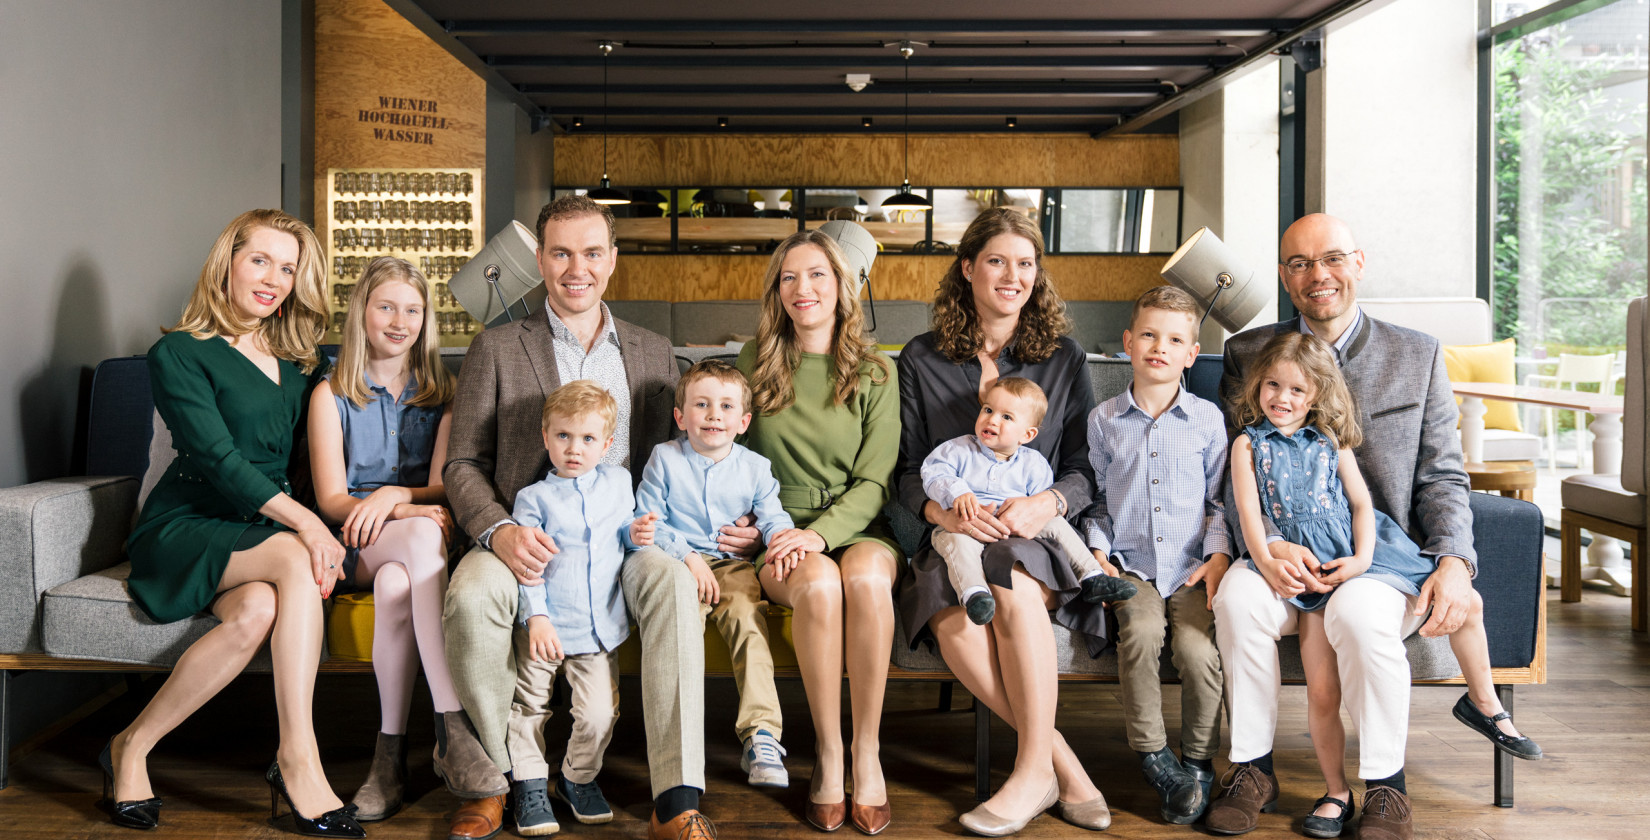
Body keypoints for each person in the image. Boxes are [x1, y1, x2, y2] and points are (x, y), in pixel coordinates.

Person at [1210, 213, 1536, 840]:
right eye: (1300, 264)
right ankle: (1250, 768)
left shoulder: (1418, 353)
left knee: (1357, 615)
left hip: (1377, 556)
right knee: (1240, 601)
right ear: (1284, 276)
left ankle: (1385, 786)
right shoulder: (1248, 354)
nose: (1317, 275)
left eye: (1331, 258)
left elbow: (1444, 475)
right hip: (1279, 552)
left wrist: (1452, 561)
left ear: (1358, 262)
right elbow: (1233, 471)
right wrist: (1258, 547)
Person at [441, 195, 695, 840]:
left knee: (672, 582)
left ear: (612, 259)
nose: (575, 268)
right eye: (560, 253)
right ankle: (497, 781)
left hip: (620, 540)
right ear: (540, 259)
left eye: (590, 252)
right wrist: (500, 532)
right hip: (518, 537)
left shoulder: (653, 352)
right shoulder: (497, 346)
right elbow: (463, 462)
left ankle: (676, 799)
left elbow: (670, 459)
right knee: (471, 599)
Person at [111, 209, 363, 837]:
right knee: (297, 557)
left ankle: (131, 745)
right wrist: (308, 526)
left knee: (258, 612)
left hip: (256, 533)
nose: (274, 279)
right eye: (261, 261)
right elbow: (219, 461)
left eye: (288, 268)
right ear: (226, 262)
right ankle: (298, 756)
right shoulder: (177, 351)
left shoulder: (301, 363)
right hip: (186, 525)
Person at [895, 207, 1110, 836]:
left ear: (1037, 275)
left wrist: (1048, 503)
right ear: (967, 270)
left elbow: (1082, 465)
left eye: (1024, 264)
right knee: (957, 627)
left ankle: (1027, 774)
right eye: (996, 261)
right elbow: (908, 470)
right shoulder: (921, 358)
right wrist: (939, 511)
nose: (1011, 275)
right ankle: (1060, 769)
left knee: (1013, 596)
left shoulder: (1063, 358)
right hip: (956, 537)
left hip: (1031, 535)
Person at [734, 229, 902, 834]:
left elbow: (876, 480)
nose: (803, 289)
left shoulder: (878, 371)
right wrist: (741, 523)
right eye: (789, 278)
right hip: (780, 526)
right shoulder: (753, 361)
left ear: (843, 287)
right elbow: (730, 456)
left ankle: (868, 750)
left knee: (863, 582)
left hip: (860, 522)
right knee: (822, 587)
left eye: (817, 276)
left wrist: (821, 535)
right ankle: (829, 753)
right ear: (777, 291)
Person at [308, 256, 461, 823]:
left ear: (426, 320)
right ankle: (453, 727)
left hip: (413, 542)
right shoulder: (331, 395)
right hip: (355, 540)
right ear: (363, 313)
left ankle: (388, 756)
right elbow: (330, 499)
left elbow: (443, 485)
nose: (400, 321)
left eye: (413, 310)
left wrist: (398, 495)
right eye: (387, 307)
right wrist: (386, 505)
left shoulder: (442, 392)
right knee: (418, 538)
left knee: (401, 584)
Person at [1081, 285, 1229, 826]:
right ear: (1128, 343)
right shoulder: (1103, 421)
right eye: (1148, 335)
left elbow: (1219, 502)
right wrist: (1097, 553)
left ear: (1192, 353)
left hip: (1193, 568)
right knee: (1141, 634)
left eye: (1173, 340)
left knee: (1195, 651)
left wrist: (1216, 557)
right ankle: (1153, 757)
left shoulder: (1208, 421)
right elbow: (1095, 500)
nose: (1158, 348)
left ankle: (1196, 761)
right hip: (1131, 565)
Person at [631, 360, 798, 790]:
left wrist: (779, 539)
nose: (713, 415)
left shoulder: (755, 467)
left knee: (747, 619)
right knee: (682, 629)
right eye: (701, 405)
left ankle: (762, 734)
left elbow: (774, 515)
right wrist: (687, 557)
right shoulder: (664, 458)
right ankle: (682, 751)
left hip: (734, 567)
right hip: (679, 565)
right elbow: (647, 519)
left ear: (743, 422)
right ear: (680, 416)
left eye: (726, 407)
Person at [506, 381, 657, 836]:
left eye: (588, 439)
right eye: (564, 437)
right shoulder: (534, 499)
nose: (575, 449)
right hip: (545, 625)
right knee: (529, 707)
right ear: (546, 437)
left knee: (598, 713)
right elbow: (526, 568)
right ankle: (529, 786)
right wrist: (536, 618)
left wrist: (637, 533)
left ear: (607, 445)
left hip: (597, 630)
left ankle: (577, 776)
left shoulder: (618, 482)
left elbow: (621, 534)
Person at [922, 376, 1136, 625]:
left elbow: (1041, 508)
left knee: (1056, 524)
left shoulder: (1033, 464)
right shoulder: (959, 449)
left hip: (1016, 531)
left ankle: (1091, 577)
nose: (992, 419)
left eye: (1007, 417)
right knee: (956, 544)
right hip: (966, 522)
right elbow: (933, 472)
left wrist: (1037, 515)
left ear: (1027, 434)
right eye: (988, 410)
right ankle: (975, 595)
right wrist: (958, 492)